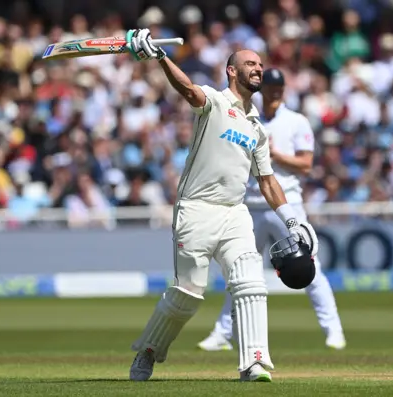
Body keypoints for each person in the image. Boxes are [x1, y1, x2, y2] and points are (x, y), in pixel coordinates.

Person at [126, 29, 317, 382]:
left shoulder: (257, 128)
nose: (258, 69)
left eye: (260, 64)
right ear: (232, 71)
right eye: (250, 64)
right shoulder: (213, 102)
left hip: (234, 212)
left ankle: (254, 362)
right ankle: (148, 351)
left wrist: (293, 220)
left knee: (251, 283)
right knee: (187, 296)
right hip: (196, 209)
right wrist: (159, 56)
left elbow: (267, 180)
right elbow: (187, 89)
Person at [197, 68, 347, 352]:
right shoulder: (245, 116)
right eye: (271, 88)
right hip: (249, 205)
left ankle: (334, 330)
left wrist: (273, 154)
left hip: (285, 203)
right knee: (238, 271)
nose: (275, 92)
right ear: (262, 90)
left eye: (279, 88)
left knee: (309, 266)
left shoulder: (296, 122)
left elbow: (305, 165)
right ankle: (223, 333)